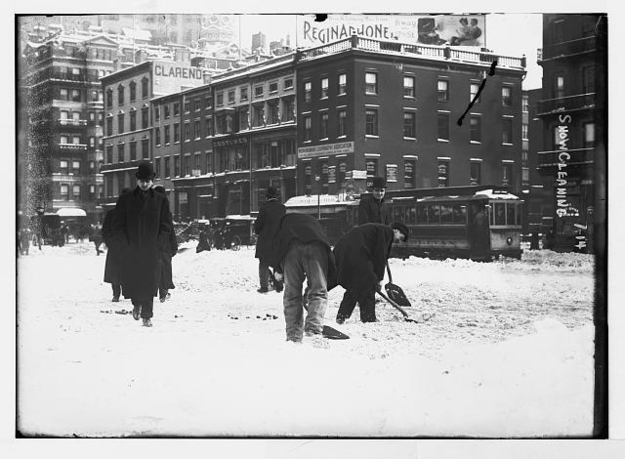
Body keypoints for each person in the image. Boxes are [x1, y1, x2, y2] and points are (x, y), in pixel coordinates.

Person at [111, 162, 174, 327]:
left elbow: (166, 225)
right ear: (137, 180)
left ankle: (147, 315)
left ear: (152, 181)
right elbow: (117, 225)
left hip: (152, 249)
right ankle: (136, 304)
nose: (144, 184)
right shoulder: (126, 199)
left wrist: (160, 244)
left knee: (150, 282)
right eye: (141, 181)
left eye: (147, 181)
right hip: (131, 249)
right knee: (133, 281)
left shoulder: (160, 200)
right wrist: (124, 246)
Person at [269, 213, 337, 343]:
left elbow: (275, 244)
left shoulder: (281, 224)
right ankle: (313, 330)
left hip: (290, 248)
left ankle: (293, 337)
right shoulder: (312, 223)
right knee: (318, 292)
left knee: (292, 294)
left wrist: (277, 269)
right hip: (315, 246)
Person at [334, 222, 409, 324]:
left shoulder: (380, 231)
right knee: (369, 282)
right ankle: (368, 318)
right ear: (396, 230)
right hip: (356, 251)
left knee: (356, 284)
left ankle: (342, 315)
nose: (399, 241)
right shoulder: (386, 232)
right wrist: (378, 279)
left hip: (346, 250)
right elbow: (380, 256)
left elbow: (377, 254)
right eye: (401, 238)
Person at [253, 186, 286, 293]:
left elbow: (258, 226)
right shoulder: (282, 208)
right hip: (278, 240)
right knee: (277, 264)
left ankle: (264, 286)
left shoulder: (264, 208)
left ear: (267, 197)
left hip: (265, 241)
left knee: (263, 264)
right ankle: (279, 285)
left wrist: (258, 230)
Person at [102, 187, 131, 302]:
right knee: (115, 272)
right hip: (116, 247)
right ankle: (116, 294)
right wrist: (111, 242)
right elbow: (105, 230)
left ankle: (127, 292)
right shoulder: (112, 213)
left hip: (129, 247)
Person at [153, 185, 178, 302]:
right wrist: (174, 247)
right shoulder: (165, 208)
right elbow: (170, 229)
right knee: (164, 270)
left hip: (151, 244)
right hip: (164, 245)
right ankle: (163, 293)